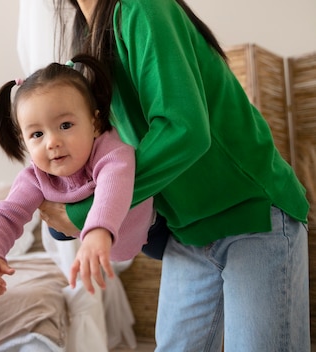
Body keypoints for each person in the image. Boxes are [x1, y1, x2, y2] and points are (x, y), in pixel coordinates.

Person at [38, 0, 311, 351]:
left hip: (252, 215)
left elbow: (184, 130)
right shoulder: (85, 45)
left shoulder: (141, 7)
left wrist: (88, 211)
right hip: (187, 231)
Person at [0, 54, 154, 300]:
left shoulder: (112, 153)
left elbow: (113, 187)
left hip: (156, 230)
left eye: (66, 125)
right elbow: (5, 215)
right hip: (111, 242)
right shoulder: (35, 177)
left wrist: (97, 231)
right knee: (55, 229)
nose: (52, 142)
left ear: (95, 124)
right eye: (37, 134)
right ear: (24, 142)